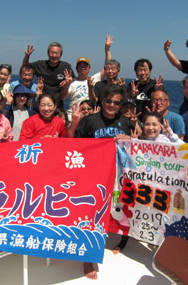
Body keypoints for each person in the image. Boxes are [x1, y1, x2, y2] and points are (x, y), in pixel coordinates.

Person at [71, 84, 134, 280]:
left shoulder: (125, 122)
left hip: (115, 177)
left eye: (116, 102)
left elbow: (135, 150)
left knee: (115, 211)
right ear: (101, 101)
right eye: (108, 101)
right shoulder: (89, 121)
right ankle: (88, 258)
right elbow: (75, 145)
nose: (112, 105)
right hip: (92, 176)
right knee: (90, 214)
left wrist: (129, 139)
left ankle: (119, 240)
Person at [113, 111, 183, 253]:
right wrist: (131, 142)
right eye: (148, 124)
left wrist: (171, 134)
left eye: (155, 124)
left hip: (160, 187)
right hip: (141, 184)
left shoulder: (167, 140)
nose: (151, 128)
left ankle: (159, 243)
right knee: (134, 210)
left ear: (161, 126)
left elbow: (184, 148)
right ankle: (124, 240)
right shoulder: (140, 140)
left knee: (159, 214)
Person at [60, 35, 114, 122]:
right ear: (76, 68)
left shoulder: (94, 79)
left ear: (89, 68)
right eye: (80, 66)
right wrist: (67, 84)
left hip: (90, 115)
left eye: (85, 66)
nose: (82, 68)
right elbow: (62, 97)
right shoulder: (71, 82)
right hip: (73, 116)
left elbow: (107, 66)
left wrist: (107, 49)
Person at [22, 41, 75, 107]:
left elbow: (73, 78)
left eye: (57, 53)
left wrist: (66, 82)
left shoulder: (65, 66)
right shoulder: (40, 65)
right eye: (52, 53)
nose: (54, 55)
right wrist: (27, 56)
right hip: (41, 104)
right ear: (48, 53)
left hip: (58, 104)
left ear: (61, 55)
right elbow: (25, 67)